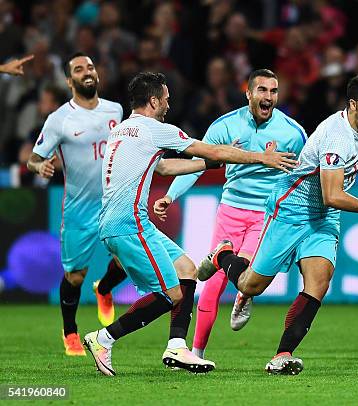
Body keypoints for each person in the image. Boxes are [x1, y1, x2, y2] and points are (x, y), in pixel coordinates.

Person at [82, 72, 296, 376]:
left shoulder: (123, 130)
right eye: (166, 98)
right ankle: (104, 338)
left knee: (187, 269)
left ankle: (177, 347)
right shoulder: (155, 129)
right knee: (171, 295)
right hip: (128, 223)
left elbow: (166, 166)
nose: (169, 104)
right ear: (154, 100)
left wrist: (215, 162)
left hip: (127, 220)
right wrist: (260, 158)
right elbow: (211, 150)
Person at [197, 73, 358, 375]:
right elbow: (333, 194)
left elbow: (331, 199)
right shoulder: (337, 137)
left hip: (323, 217)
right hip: (291, 211)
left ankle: (282, 355)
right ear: (352, 104)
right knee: (250, 285)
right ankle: (222, 255)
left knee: (319, 283)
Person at [153, 69, 307, 361]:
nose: (269, 97)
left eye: (273, 91)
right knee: (210, 287)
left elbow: (303, 174)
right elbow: (199, 164)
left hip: (266, 214)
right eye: (262, 90)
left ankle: (244, 294)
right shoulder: (224, 126)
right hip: (230, 211)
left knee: (246, 272)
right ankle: (196, 352)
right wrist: (170, 195)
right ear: (248, 93)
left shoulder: (293, 133)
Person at [26, 52, 127, 356]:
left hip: (114, 202)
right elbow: (34, 158)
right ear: (70, 81)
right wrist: (39, 167)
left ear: (97, 74)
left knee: (129, 261)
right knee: (75, 276)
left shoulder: (116, 110)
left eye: (91, 67)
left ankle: (105, 289)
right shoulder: (59, 120)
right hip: (78, 208)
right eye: (79, 69)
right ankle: (70, 332)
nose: (87, 72)